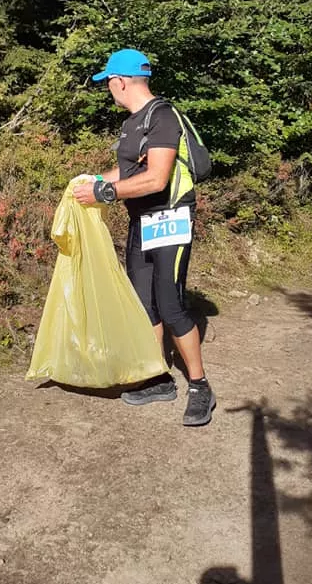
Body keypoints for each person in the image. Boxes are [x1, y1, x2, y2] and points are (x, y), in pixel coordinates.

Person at [73, 48, 216, 427]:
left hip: (171, 218)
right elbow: (128, 172)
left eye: (108, 82)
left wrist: (104, 193)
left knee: (171, 305)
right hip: (141, 220)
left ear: (120, 81)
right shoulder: (132, 123)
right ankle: (159, 378)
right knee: (144, 305)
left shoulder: (162, 117)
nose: (108, 89)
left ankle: (200, 386)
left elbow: (155, 178)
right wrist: (93, 181)